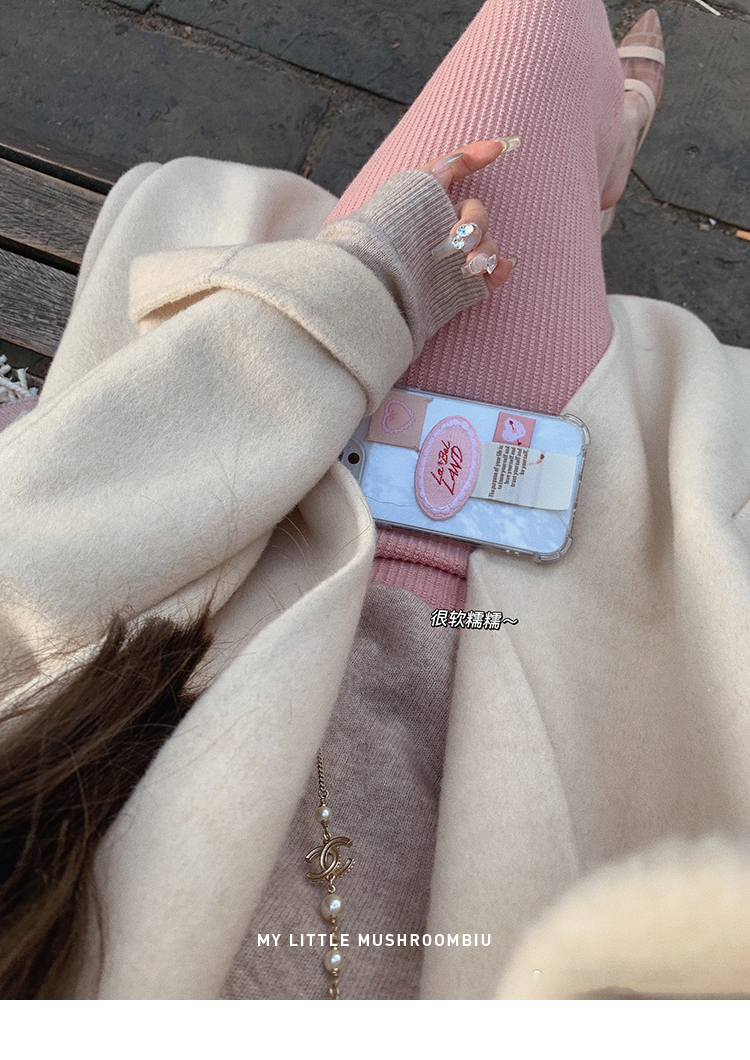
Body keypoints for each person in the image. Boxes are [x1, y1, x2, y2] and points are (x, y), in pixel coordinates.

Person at [2, 0, 750, 1001]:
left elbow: (25, 595)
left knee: (529, 72)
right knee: (546, 35)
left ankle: (586, 177)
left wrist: (359, 294)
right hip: (554, 646)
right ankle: (595, 163)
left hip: (243, 543)